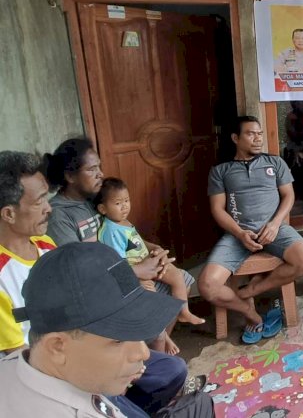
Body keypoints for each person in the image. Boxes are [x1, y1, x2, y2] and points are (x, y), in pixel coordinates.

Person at [41, 138, 190, 415]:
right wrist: (136, 270)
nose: (99, 174)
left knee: (179, 280)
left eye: (99, 167)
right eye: (91, 169)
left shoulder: (92, 201)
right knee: (153, 305)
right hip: (100, 292)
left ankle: (154, 362)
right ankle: (148, 368)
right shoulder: (60, 216)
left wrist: (150, 252)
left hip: (119, 276)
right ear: (70, 176)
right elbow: (78, 269)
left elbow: (122, 230)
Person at [0, 242, 208, 417]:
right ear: (57, 346)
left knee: (172, 371)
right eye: (118, 339)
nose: (143, 352)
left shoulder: (22, 364)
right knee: (200, 406)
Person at [198, 115, 303, 345]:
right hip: (236, 235)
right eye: (251, 134)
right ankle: (250, 313)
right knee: (207, 286)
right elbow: (218, 209)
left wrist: (274, 224)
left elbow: (289, 196)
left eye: (259, 133)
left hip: (275, 230)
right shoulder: (221, 171)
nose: (258, 138)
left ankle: (250, 290)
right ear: (235, 138)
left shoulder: (275, 163)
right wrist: (240, 233)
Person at [95, 177, 205, 355]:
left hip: (149, 262)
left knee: (177, 275)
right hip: (138, 273)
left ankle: (184, 311)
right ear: (102, 208)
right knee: (153, 301)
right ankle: (165, 338)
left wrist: (155, 249)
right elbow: (118, 263)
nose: (124, 207)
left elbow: (138, 242)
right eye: (118, 203)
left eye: (126, 201)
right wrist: (139, 277)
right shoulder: (110, 231)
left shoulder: (124, 222)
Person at [0, 151, 54, 356]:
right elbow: (16, 354)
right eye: (39, 201)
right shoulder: (2, 276)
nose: (49, 208)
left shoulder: (46, 245)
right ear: (9, 214)